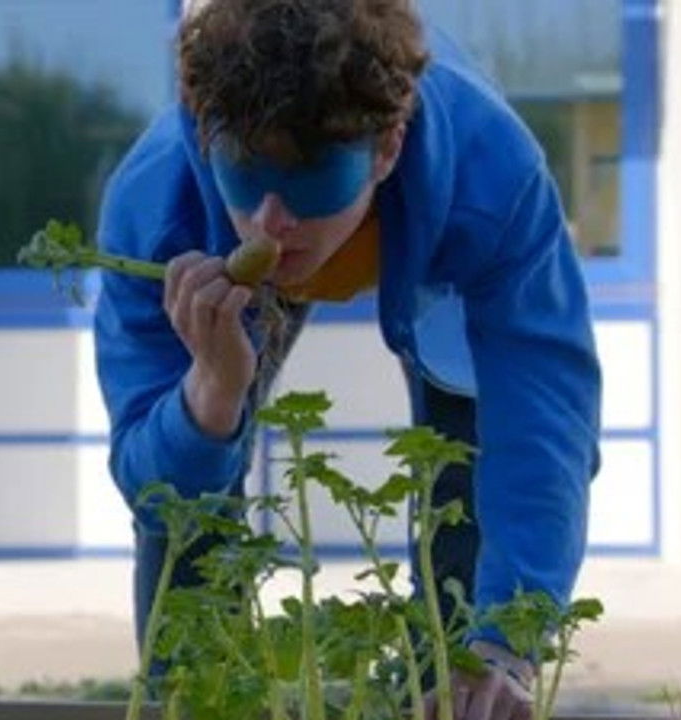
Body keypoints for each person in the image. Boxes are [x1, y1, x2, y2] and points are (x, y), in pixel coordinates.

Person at [91, 1, 602, 719]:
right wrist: (210, 395)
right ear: (206, 137)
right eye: (245, 174)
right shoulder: (155, 207)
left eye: (311, 179)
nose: (271, 223)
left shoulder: (493, 173)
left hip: (439, 235)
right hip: (212, 256)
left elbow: (542, 422)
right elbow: (153, 491)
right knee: (189, 493)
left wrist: (505, 642)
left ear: (388, 147)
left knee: (466, 483)